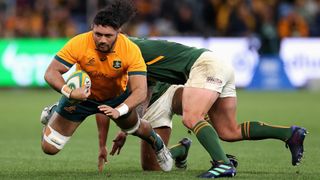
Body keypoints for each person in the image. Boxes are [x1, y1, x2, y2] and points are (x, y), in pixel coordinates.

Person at [40, 0, 173, 172]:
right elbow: (51, 72)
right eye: (98, 34)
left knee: (136, 128)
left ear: (119, 32)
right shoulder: (79, 42)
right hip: (81, 98)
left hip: (116, 98)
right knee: (49, 149)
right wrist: (70, 93)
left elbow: (140, 91)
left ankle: (159, 145)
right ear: (92, 28)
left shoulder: (130, 50)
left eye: (108, 36)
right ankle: (55, 111)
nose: (102, 40)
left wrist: (120, 110)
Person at [107, 81, 306, 172]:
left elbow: (143, 92)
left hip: (166, 92)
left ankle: (288, 133)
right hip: (148, 109)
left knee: (216, 124)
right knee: (151, 167)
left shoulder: (131, 53)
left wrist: (125, 129)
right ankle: (182, 149)